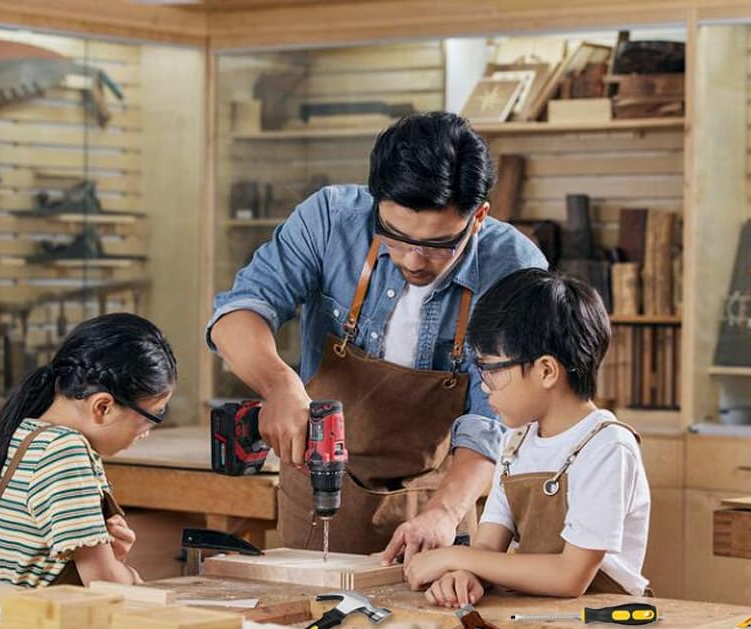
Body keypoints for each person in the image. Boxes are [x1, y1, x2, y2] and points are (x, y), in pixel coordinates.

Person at [207, 112, 547, 561]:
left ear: (478, 216)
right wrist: (279, 384)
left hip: (440, 495)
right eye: (396, 237)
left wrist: (445, 511)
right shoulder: (330, 219)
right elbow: (239, 311)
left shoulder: (513, 267)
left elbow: (495, 420)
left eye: (438, 245)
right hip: (317, 486)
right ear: (376, 202)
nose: (413, 260)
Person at [403, 268, 651, 605]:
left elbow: (570, 577)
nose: (484, 387)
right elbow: (487, 548)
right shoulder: (515, 442)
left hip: (602, 617)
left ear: (546, 371)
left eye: (491, 371)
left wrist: (453, 557)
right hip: (534, 612)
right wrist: (465, 577)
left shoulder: (607, 447)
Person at [0, 313, 176, 587]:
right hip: (53, 614)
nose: (146, 432)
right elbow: (102, 583)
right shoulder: (65, 451)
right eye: (152, 417)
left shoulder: (28, 433)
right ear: (103, 407)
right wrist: (131, 577)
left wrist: (108, 553)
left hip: (30, 610)